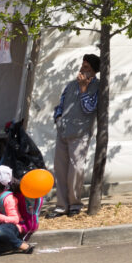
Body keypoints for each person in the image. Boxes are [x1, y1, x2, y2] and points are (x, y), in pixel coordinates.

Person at [51, 53, 101, 216]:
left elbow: (89, 108)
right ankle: (61, 206)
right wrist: (58, 119)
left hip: (80, 133)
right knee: (60, 169)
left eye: (86, 67)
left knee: (76, 170)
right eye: (82, 65)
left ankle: (74, 204)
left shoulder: (98, 86)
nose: (82, 68)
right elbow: (61, 103)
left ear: (93, 71)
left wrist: (83, 88)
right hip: (63, 131)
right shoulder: (70, 84)